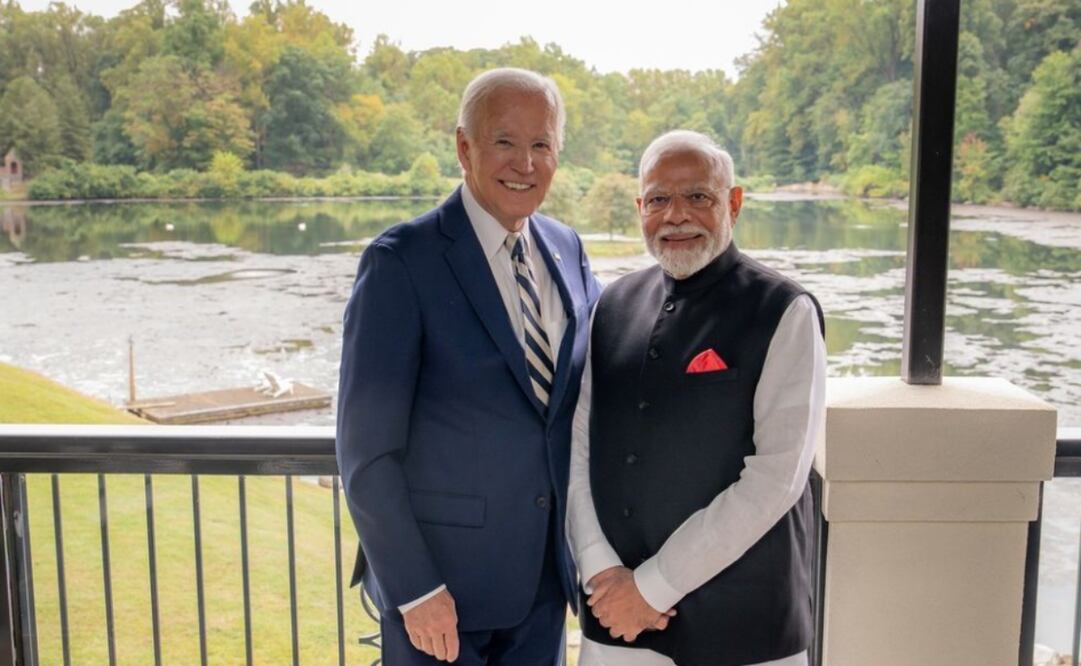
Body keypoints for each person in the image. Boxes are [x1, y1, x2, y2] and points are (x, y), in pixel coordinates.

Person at [336, 68, 602, 665]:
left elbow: (600, 365)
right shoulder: (401, 263)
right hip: (440, 599)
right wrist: (415, 588)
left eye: (542, 145)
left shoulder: (567, 248)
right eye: (505, 142)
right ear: (464, 147)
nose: (525, 164)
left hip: (541, 588)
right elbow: (365, 454)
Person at [567, 130, 826, 666]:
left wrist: (652, 589)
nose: (676, 215)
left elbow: (776, 479)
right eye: (659, 199)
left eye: (698, 197)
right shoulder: (610, 306)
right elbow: (577, 445)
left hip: (744, 626)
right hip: (615, 618)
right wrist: (599, 569)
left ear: (733, 202)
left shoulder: (786, 312)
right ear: (640, 207)